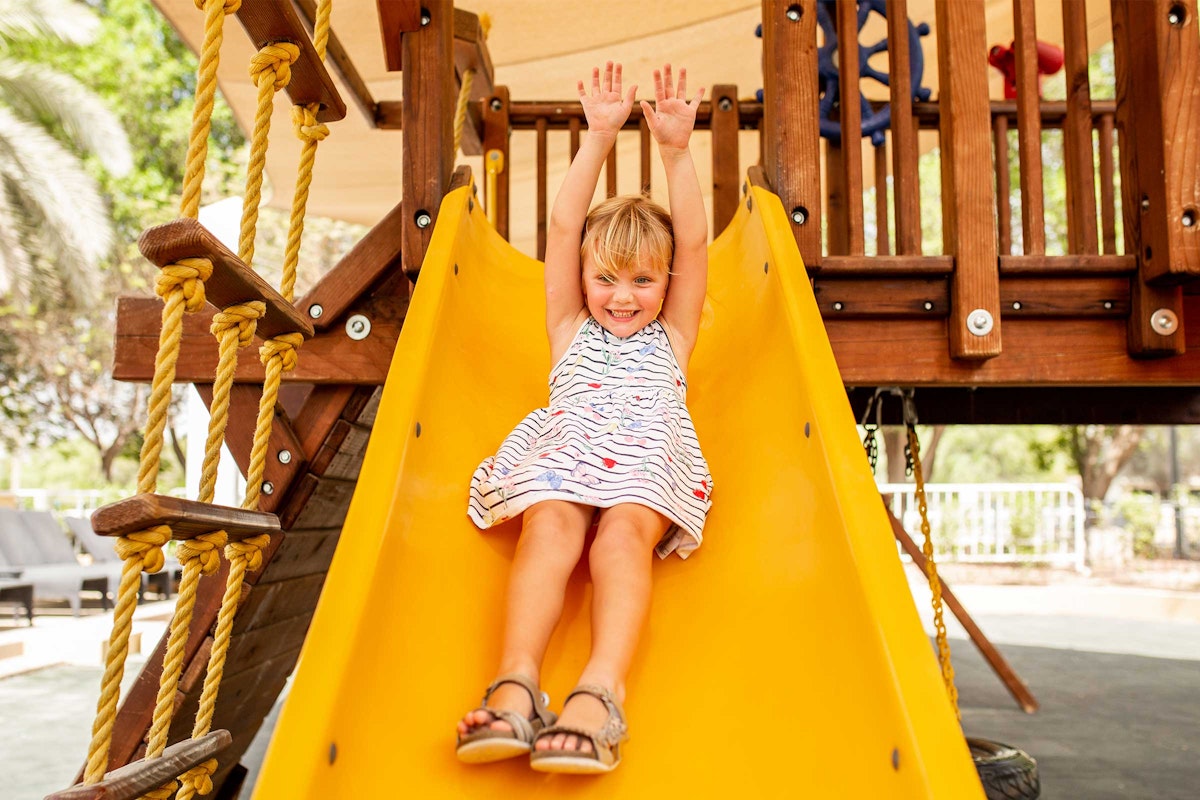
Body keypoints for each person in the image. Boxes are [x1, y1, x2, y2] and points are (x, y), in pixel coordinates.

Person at [457, 61, 712, 775]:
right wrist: (598, 137)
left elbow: (692, 242)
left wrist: (675, 151)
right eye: (606, 277)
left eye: (642, 280)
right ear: (581, 279)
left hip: (647, 461)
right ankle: (516, 682)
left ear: (667, 284)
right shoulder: (570, 324)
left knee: (622, 535)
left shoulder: (675, 335)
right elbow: (567, 224)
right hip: (567, 450)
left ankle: (599, 691)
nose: (623, 296)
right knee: (552, 524)